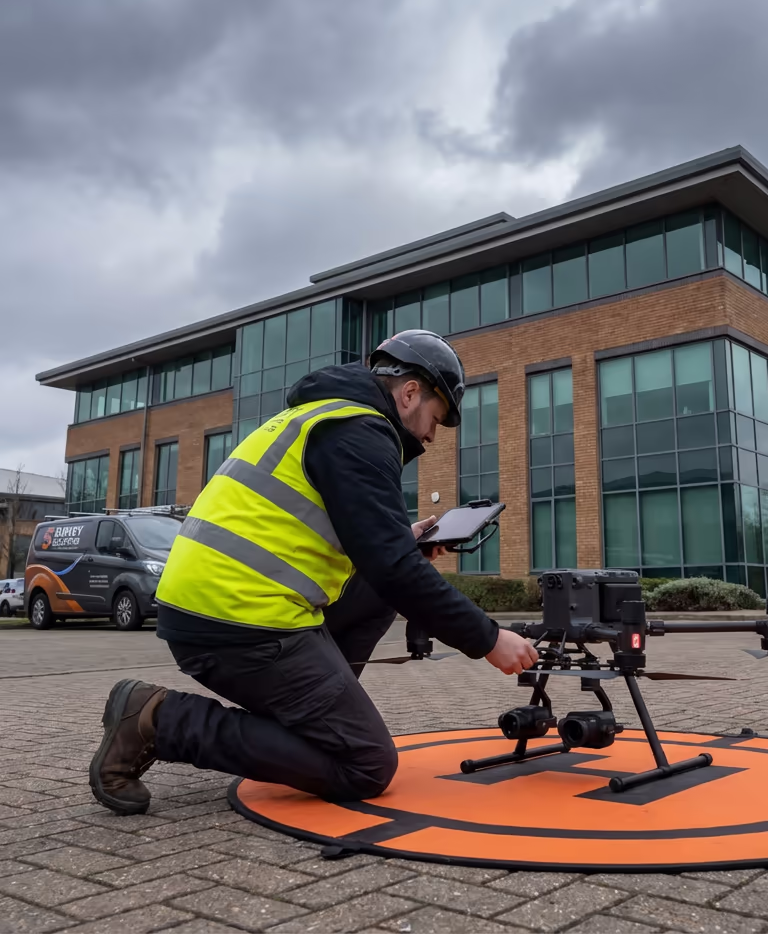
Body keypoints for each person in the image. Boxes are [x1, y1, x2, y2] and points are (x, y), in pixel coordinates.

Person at [89, 329, 539, 815]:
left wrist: (396, 540)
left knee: (379, 590)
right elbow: (393, 568)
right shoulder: (360, 431)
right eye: (436, 417)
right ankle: (158, 720)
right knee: (365, 764)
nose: (432, 435)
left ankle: (321, 712)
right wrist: (490, 639)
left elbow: (344, 545)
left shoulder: (324, 417)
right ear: (410, 393)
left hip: (223, 603)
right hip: (237, 617)